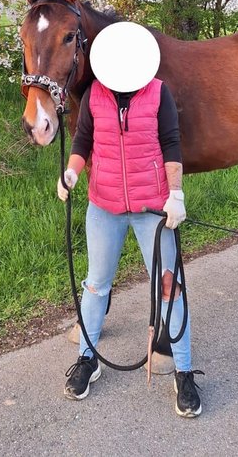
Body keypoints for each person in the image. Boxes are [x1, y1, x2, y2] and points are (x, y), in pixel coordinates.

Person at [57, 21, 203, 418]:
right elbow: (83, 141)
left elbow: (171, 144)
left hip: (152, 212)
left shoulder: (159, 93)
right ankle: (88, 360)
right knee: (95, 285)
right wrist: (71, 172)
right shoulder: (93, 95)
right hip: (103, 207)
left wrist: (176, 195)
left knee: (170, 287)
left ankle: (185, 371)